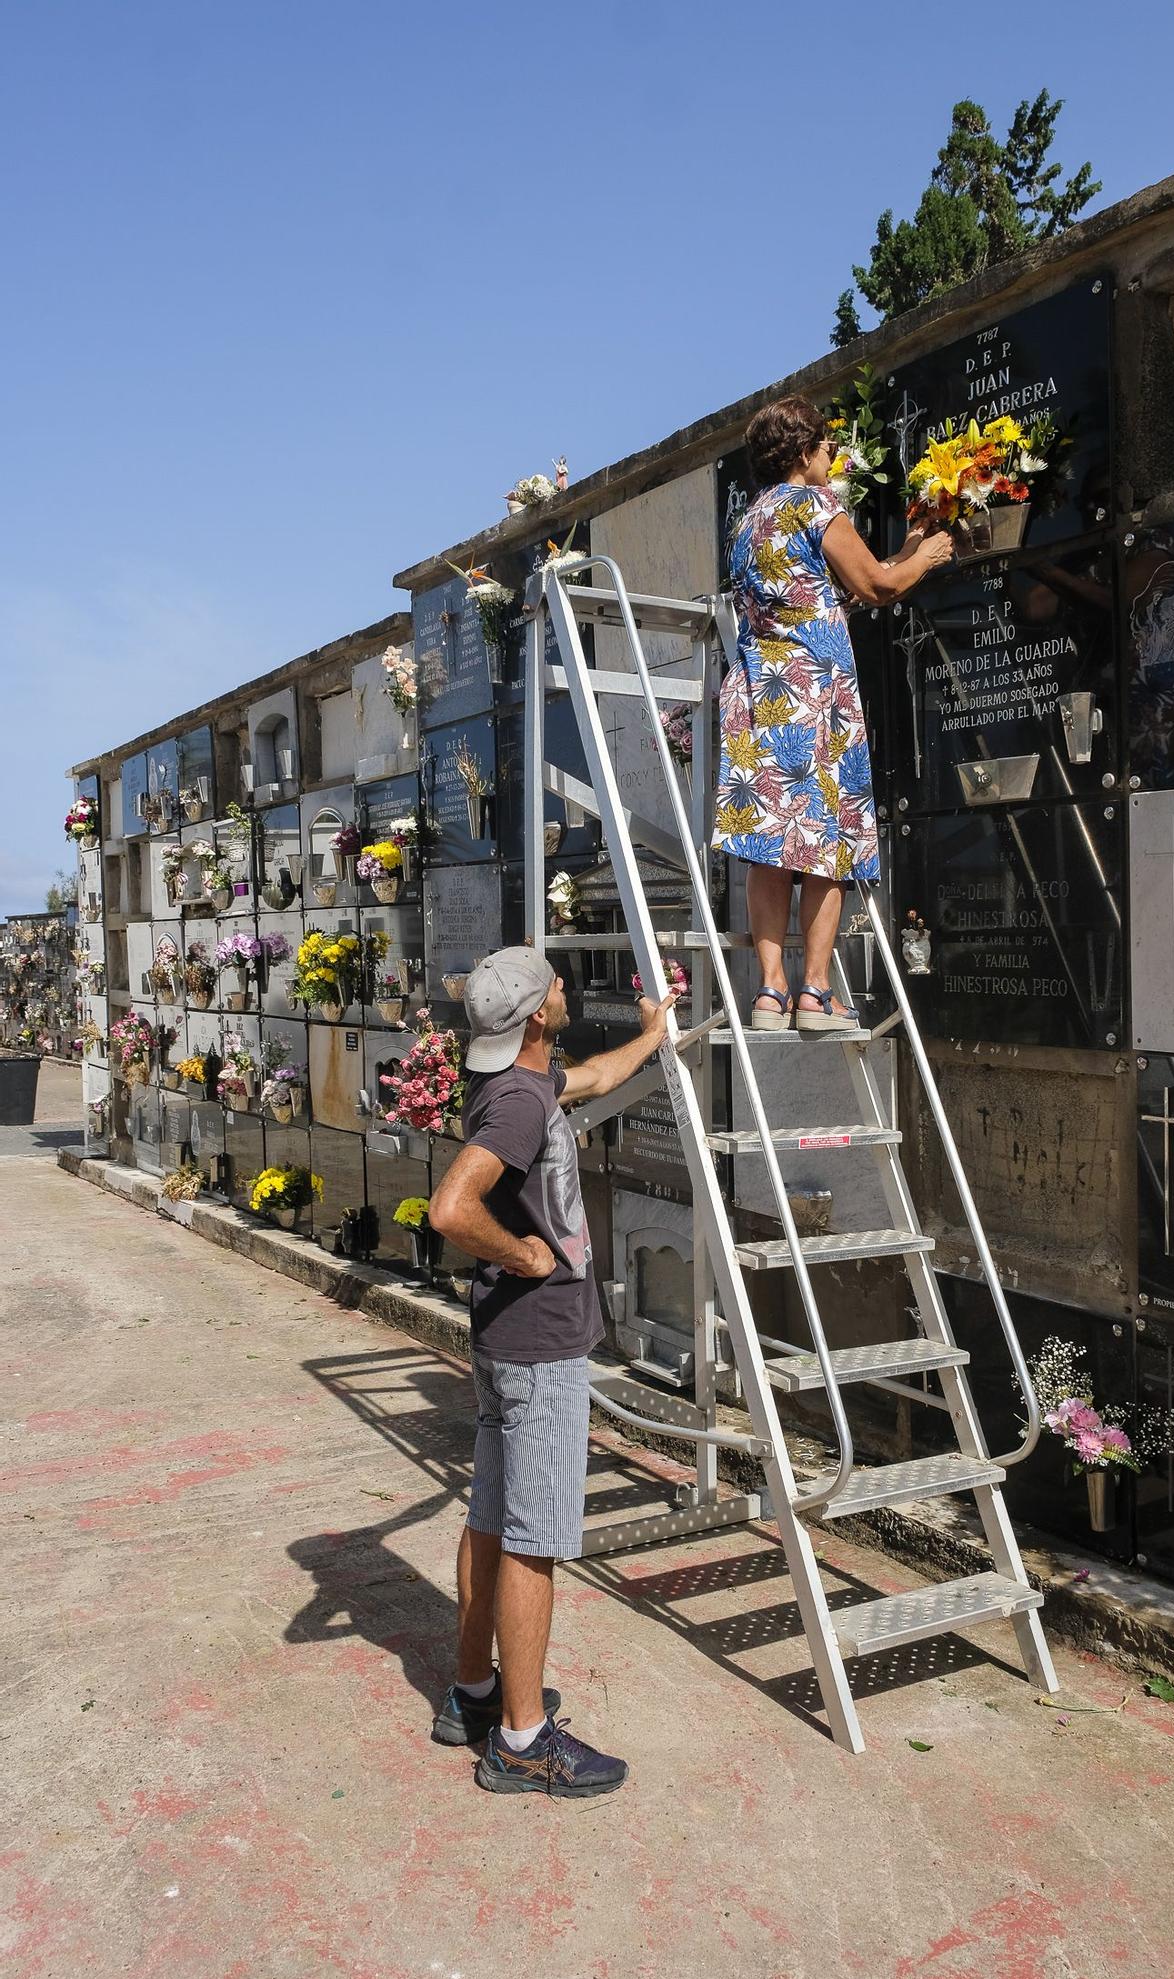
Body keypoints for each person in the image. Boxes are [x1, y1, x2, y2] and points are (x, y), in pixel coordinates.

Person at [427, 945, 675, 1798]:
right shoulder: (519, 1110)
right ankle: (524, 1743)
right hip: (538, 1348)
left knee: (492, 1517)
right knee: (535, 1538)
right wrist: (526, 1257)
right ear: (537, 1016)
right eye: (557, 986)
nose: (567, 989)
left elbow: (596, 1079)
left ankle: (473, 1695)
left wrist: (654, 1034)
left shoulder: (518, 1085)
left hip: (505, 1344)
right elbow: (451, 1208)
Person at [712, 394, 954, 1030]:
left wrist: (904, 549)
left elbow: (830, 592)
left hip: (761, 693)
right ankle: (815, 992)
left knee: (771, 847)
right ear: (800, 452)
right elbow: (876, 587)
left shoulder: (750, 522)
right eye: (824, 447)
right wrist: (926, 559)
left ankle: (769, 993)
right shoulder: (816, 506)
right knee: (826, 845)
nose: (831, 457)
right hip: (813, 695)